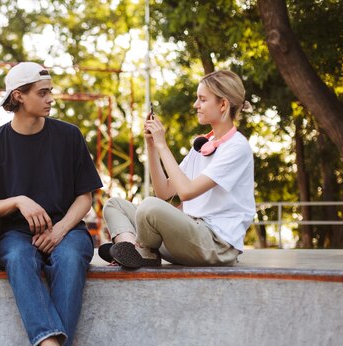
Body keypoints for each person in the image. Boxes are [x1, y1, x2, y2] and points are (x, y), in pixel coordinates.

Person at [0, 62, 103, 346]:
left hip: (67, 228)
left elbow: (85, 197)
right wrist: (18, 200)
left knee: (70, 257)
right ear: (19, 96)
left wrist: (59, 231)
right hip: (16, 234)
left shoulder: (68, 135)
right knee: (18, 256)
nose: (50, 98)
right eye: (43, 92)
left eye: (50, 91)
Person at [101, 70, 254, 268]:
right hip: (187, 237)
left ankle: (141, 251)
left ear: (223, 104)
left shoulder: (236, 147)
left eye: (202, 99)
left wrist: (163, 145)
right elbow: (164, 192)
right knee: (114, 205)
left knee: (149, 206)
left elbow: (186, 192)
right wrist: (152, 147)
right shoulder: (202, 144)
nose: (195, 105)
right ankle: (134, 249)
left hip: (215, 245)